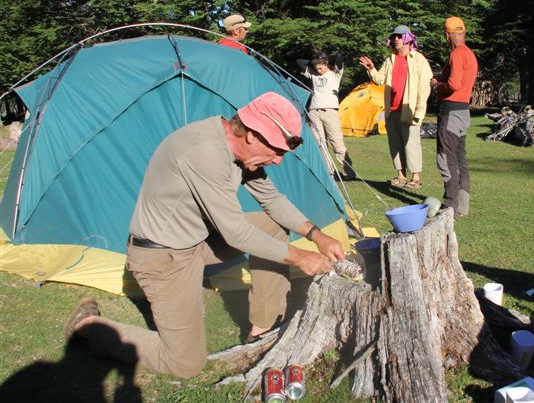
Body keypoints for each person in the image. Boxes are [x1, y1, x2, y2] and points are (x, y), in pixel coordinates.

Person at [63, 92, 345, 378]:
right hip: (162, 258)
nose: (278, 161)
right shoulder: (205, 152)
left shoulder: (237, 149)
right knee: (184, 363)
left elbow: (272, 200)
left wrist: (316, 236)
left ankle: (262, 329)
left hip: (196, 242)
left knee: (268, 225)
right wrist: (300, 258)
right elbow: (235, 232)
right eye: (277, 152)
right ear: (252, 136)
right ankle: (89, 327)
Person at [359, 25, 432, 189]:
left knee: (411, 143)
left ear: (408, 38)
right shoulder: (390, 59)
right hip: (392, 110)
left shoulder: (419, 60)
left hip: (410, 110)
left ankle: (416, 177)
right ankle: (400, 175)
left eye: (399, 36)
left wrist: (419, 111)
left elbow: (424, 87)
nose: (396, 39)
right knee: (395, 143)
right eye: (394, 37)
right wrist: (371, 68)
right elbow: (379, 79)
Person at [430, 16, 478, 217]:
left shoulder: (457, 55)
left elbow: (454, 84)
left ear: (447, 34)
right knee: (460, 159)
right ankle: (462, 206)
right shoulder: (470, 54)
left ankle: (450, 206)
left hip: (451, 110)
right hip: (464, 111)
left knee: (445, 156)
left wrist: (436, 84)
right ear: (463, 32)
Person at [297, 49, 356, 181]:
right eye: (316, 68)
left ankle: (349, 173)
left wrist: (323, 57)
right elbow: (299, 62)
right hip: (314, 111)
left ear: (326, 64)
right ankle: (329, 172)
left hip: (330, 111)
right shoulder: (313, 74)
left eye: (321, 68)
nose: (319, 71)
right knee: (320, 143)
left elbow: (339, 59)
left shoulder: (335, 74)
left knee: (337, 143)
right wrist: (315, 58)